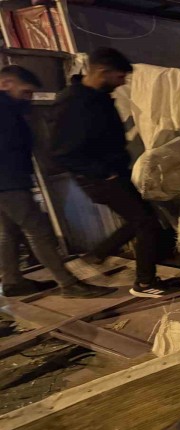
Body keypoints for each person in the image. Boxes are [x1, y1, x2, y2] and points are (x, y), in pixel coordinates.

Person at [52, 48, 180, 299]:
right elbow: (61, 152)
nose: (122, 83)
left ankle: (97, 256)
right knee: (145, 222)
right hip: (99, 177)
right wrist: (103, 173)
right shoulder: (74, 102)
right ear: (103, 71)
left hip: (113, 172)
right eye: (120, 77)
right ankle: (143, 282)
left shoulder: (97, 97)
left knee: (142, 220)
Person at [0, 65, 116, 298]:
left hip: (8, 182)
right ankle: (68, 284)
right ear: (6, 84)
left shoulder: (9, 109)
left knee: (9, 231)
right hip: (8, 182)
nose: (29, 98)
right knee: (38, 230)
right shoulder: (4, 110)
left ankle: (12, 281)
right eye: (25, 92)